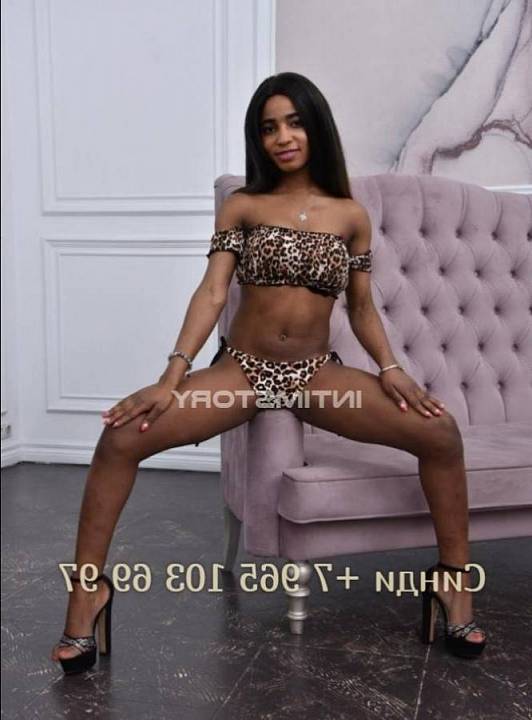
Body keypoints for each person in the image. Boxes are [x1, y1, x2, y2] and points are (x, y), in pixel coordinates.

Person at [51, 72, 486, 674]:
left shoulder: (351, 216)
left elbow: (361, 307)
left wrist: (392, 369)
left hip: (315, 376)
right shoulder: (244, 206)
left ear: (316, 127)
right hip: (243, 373)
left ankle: (452, 585)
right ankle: (88, 592)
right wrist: (172, 377)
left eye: (294, 122)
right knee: (121, 436)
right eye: (268, 127)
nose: (283, 137)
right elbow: (212, 292)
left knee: (440, 432)